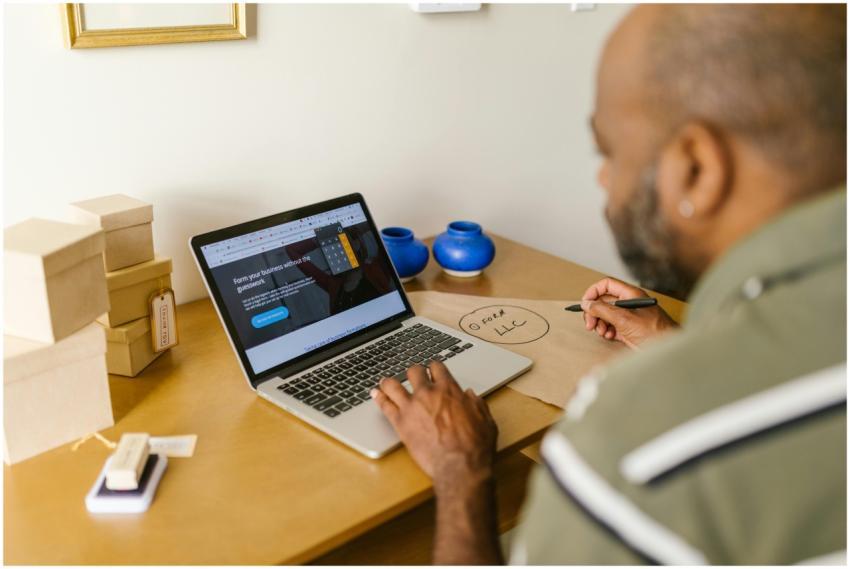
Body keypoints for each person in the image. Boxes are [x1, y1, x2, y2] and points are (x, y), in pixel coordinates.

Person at [369, 4, 846, 565]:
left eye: (610, 152)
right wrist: (679, 345)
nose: (603, 178)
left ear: (697, 168)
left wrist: (461, 472)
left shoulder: (640, 443)